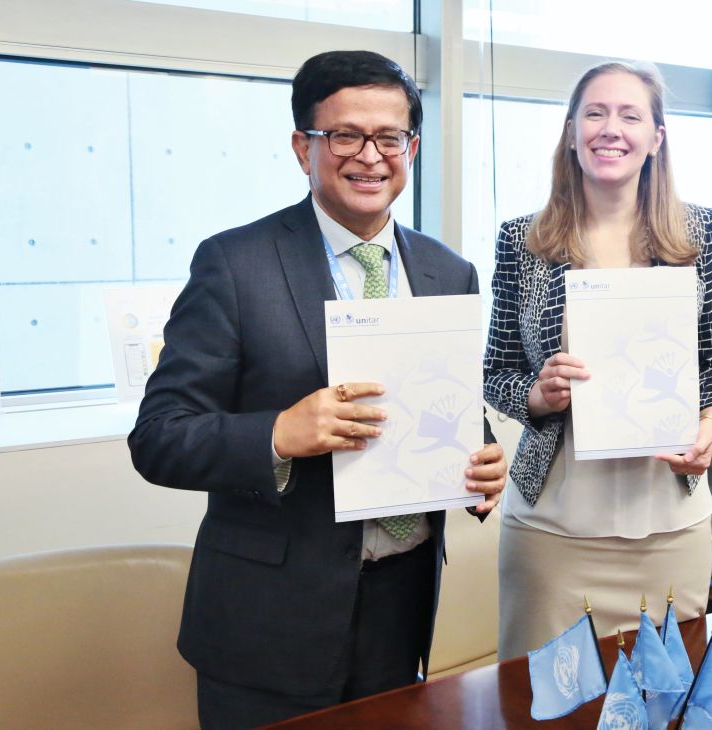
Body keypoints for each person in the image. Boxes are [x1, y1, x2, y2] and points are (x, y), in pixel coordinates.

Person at [129, 50, 507, 730]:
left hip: (401, 604)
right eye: (345, 135)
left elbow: (447, 404)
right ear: (304, 147)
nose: (370, 155)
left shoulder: (450, 271)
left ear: (412, 147)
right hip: (266, 622)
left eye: (389, 136)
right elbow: (159, 436)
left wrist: (480, 461)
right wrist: (276, 435)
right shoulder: (235, 263)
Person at [483, 61, 712, 659]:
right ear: (571, 132)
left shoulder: (695, 233)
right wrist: (536, 395)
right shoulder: (524, 240)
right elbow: (495, 372)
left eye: (630, 115)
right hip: (554, 533)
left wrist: (708, 426)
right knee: (542, 708)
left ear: (656, 137)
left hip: (669, 530)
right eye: (594, 113)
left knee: (663, 703)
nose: (610, 129)